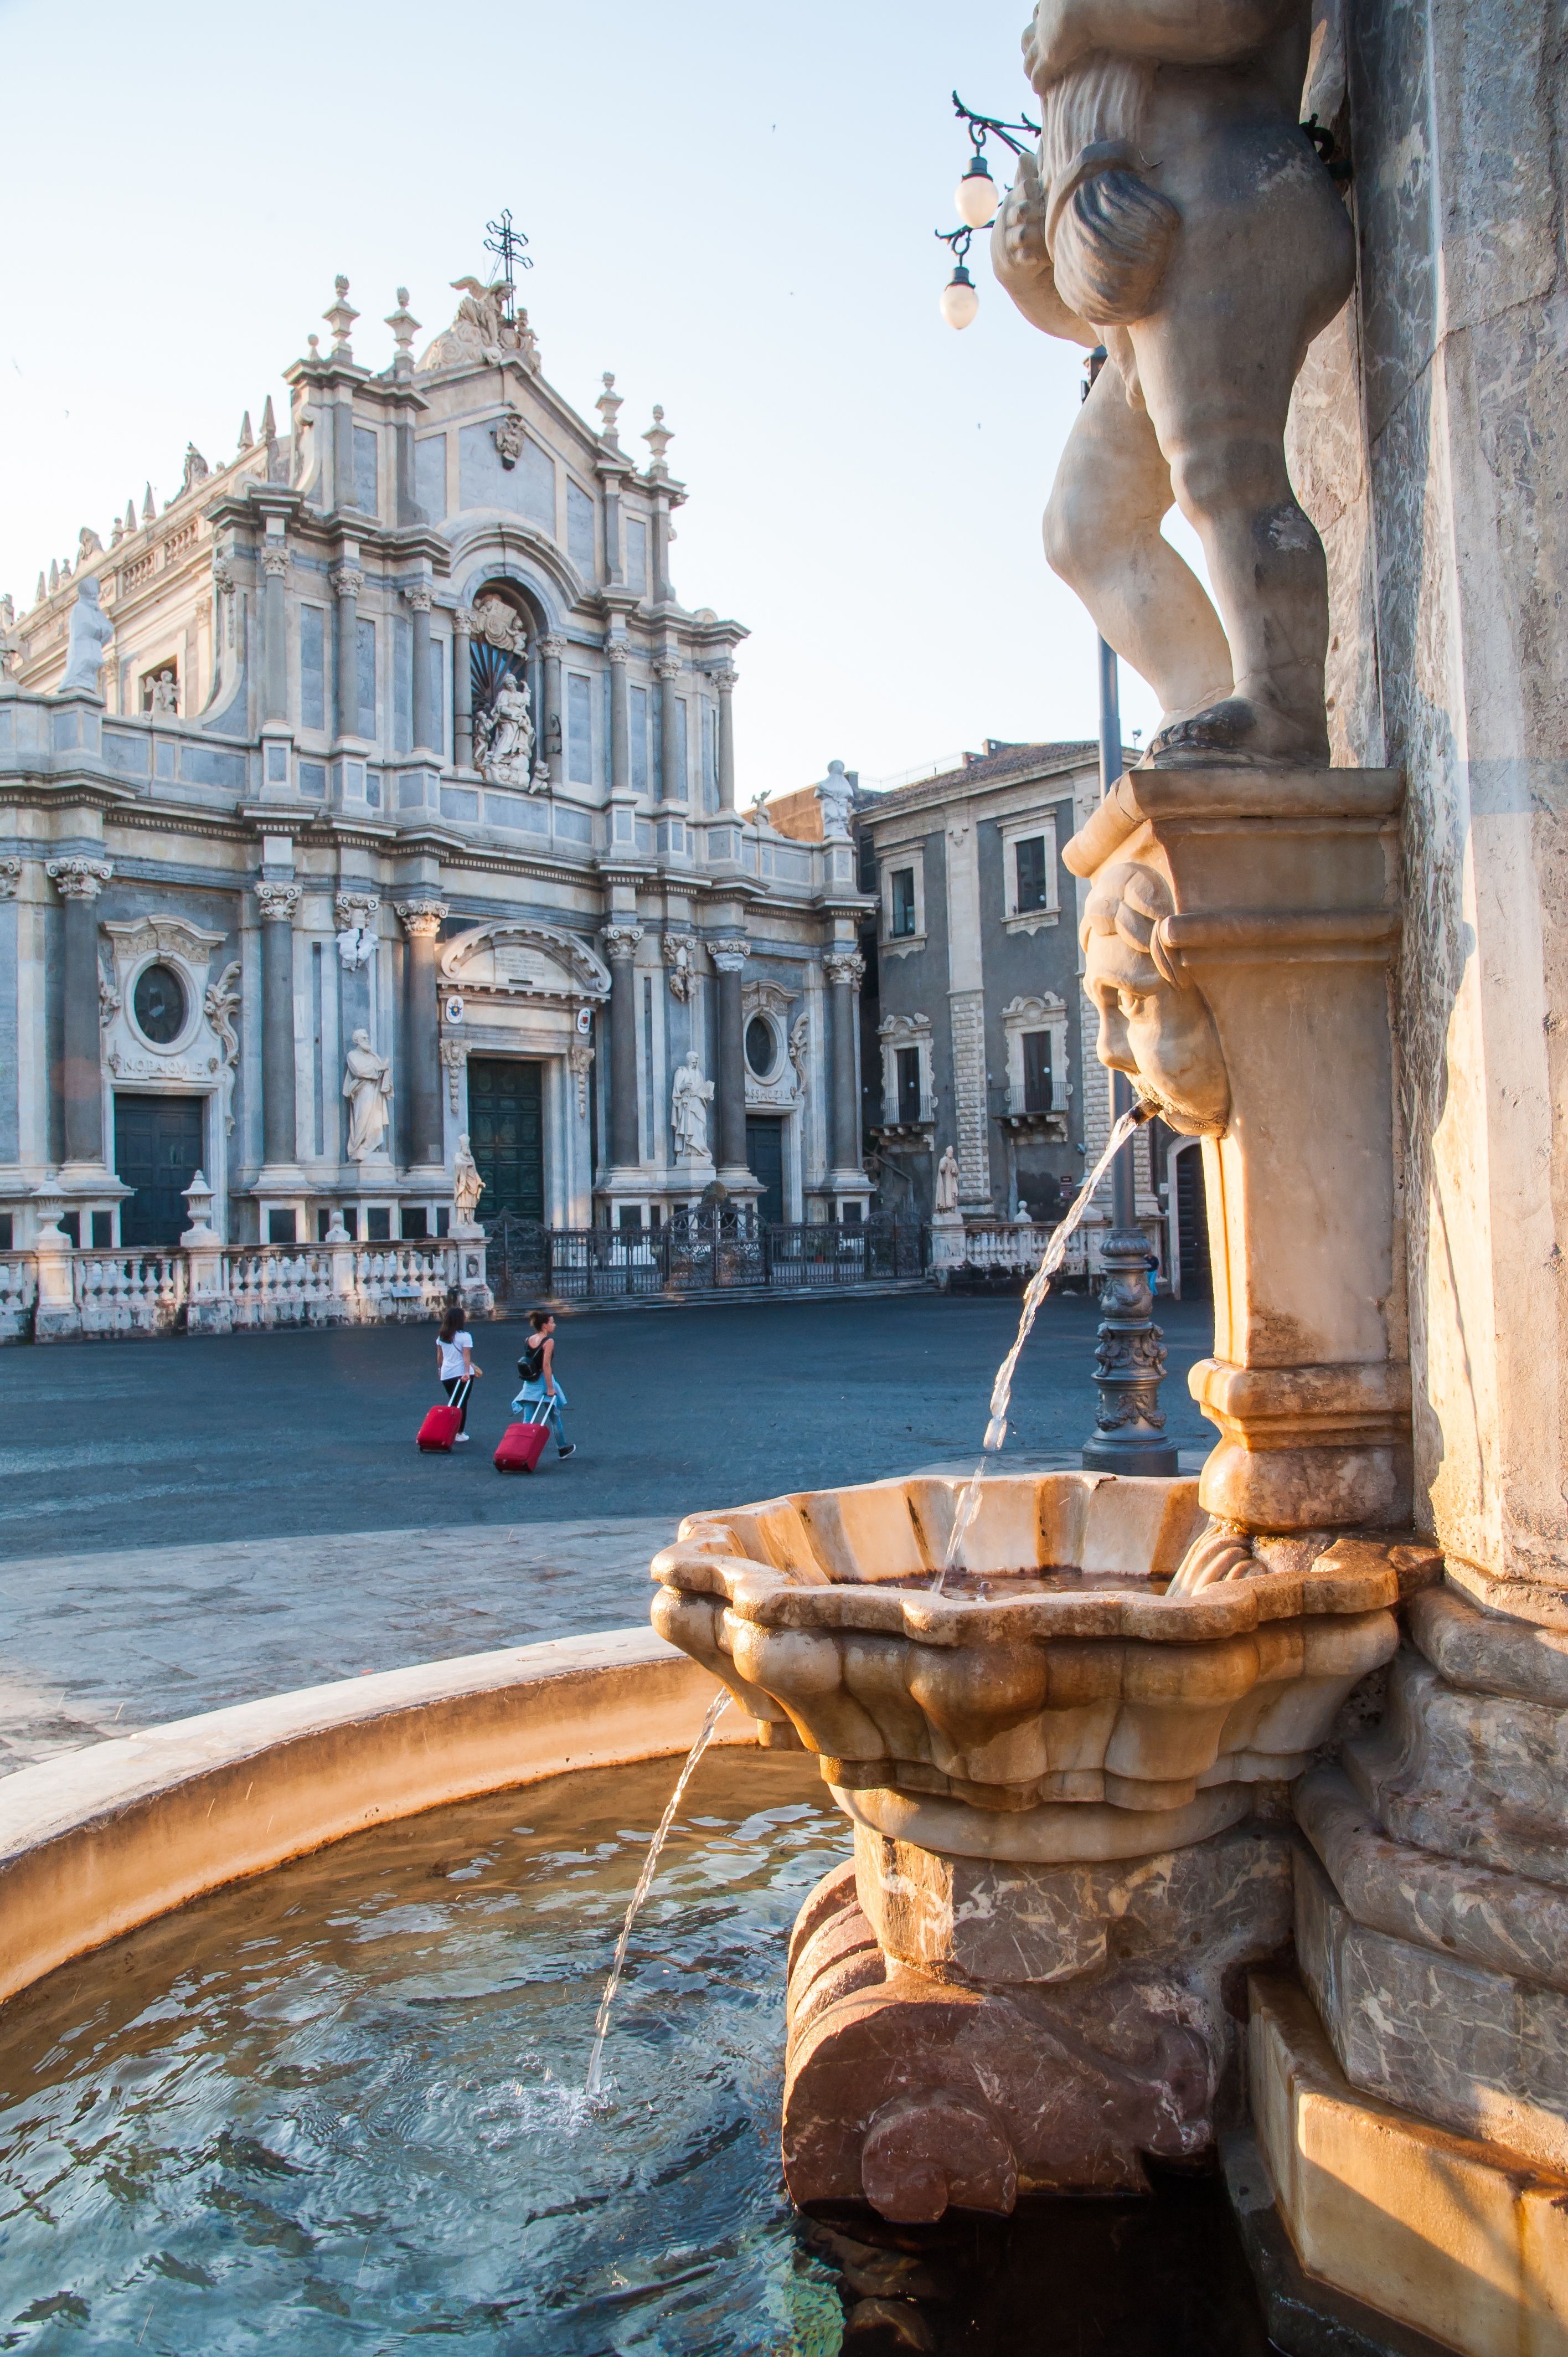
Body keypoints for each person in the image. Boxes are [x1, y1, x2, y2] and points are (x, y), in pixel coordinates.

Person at [513, 1309, 575, 1460]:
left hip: (529, 1383)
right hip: (542, 1381)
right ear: (545, 1326)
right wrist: (550, 1388)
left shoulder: (528, 1340)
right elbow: (546, 1366)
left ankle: (520, 1451)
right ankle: (562, 1447)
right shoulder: (549, 1342)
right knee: (554, 1417)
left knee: (527, 1419)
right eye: (552, 1323)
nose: (555, 1325)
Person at [436, 1302, 481, 1443]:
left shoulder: (442, 1336)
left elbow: (440, 1357)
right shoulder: (465, 1336)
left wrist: (440, 1369)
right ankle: (459, 1432)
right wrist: (467, 1373)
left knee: (453, 1401)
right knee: (462, 1403)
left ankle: (451, 1429)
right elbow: (466, 1356)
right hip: (461, 1372)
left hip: (447, 1373)